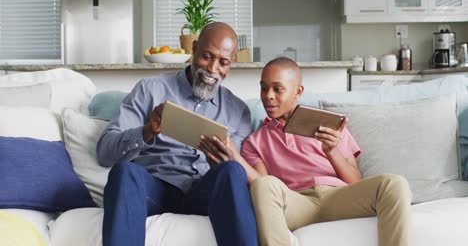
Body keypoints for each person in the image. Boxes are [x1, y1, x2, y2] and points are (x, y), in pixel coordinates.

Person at [198, 57, 412, 246]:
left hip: (337, 196)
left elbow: (355, 181)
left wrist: (331, 151)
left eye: (277, 89)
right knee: (265, 185)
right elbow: (261, 185)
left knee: (394, 184)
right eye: (264, 88)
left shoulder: (329, 123)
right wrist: (235, 156)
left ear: (298, 92)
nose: (268, 96)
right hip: (295, 202)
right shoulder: (255, 141)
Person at [96, 22, 258, 246]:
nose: (212, 69)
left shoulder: (238, 111)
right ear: (193, 48)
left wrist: (222, 160)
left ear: (231, 64)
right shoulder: (150, 89)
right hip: (155, 188)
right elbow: (104, 151)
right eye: (207, 56)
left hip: (204, 191)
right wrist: (148, 131)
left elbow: (232, 180)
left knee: (232, 170)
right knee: (124, 172)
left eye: (223, 62)